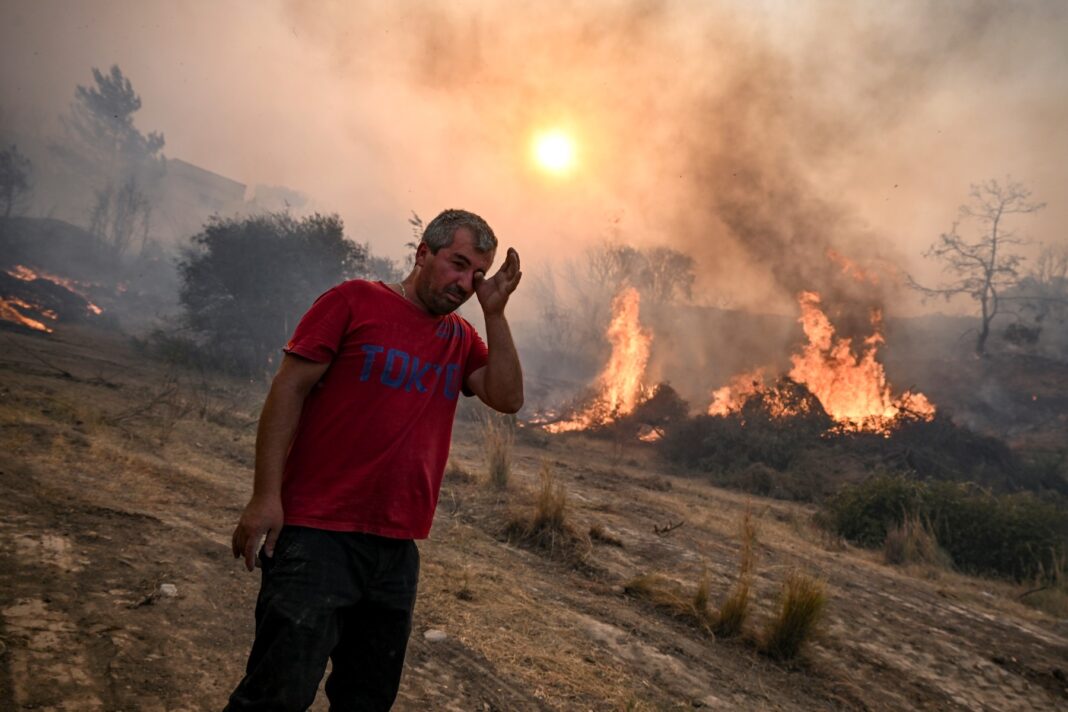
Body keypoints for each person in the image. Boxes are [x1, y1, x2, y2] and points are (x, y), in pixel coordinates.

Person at [224, 209, 523, 711]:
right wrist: (264, 496)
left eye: (477, 273)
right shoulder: (353, 301)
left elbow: (508, 398)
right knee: (276, 695)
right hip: (317, 535)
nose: (465, 283)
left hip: (396, 549)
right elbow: (288, 390)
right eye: (457, 264)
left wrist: (495, 314)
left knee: (366, 700)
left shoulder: (460, 338)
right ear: (423, 253)